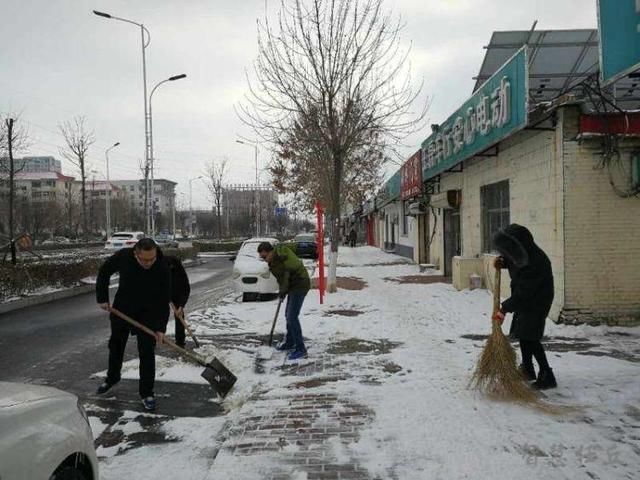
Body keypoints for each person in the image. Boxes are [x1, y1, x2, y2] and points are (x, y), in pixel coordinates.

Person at [95, 238, 172, 411]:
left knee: (146, 352)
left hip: (148, 314)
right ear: (135, 254)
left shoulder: (161, 266)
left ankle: (147, 393)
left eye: (152, 259)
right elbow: (104, 271)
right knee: (116, 346)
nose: (149, 263)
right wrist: (102, 298)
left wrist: (160, 328)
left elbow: (163, 299)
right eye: (145, 259)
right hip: (123, 309)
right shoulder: (124, 256)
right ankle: (112, 378)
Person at [492, 224, 557, 390]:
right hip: (526, 301)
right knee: (523, 334)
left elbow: (524, 293)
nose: (507, 253)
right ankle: (528, 369)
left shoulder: (535, 262)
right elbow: (516, 262)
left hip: (537, 302)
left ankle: (547, 374)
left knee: (531, 337)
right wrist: (503, 262)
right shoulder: (523, 255)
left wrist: (504, 308)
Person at [257, 241, 310, 360]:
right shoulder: (274, 260)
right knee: (288, 315)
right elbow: (283, 280)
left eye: (265, 256)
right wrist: (283, 291)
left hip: (300, 284)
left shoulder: (280, 259)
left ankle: (301, 349)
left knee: (292, 316)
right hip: (293, 285)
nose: (264, 260)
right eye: (262, 258)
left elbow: (285, 277)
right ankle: (290, 342)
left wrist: (282, 292)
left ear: (271, 252)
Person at [165, 255, 191, 348]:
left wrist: (181, 306)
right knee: (161, 315)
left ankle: (180, 340)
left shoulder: (179, 270)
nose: (171, 268)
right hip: (161, 293)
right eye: (169, 266)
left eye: (172, 266)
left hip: (176, 294)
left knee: (179, 315)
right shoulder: (160, 268)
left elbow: (185, 288)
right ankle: (155, 337)